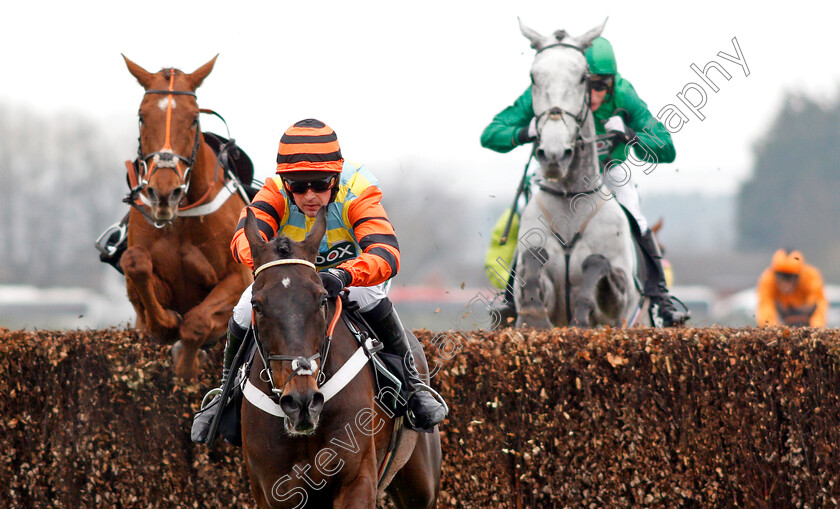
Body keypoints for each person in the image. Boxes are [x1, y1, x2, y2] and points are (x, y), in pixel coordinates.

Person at [193, 118, 447, 442]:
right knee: (244, 310)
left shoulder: (358, 191)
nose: (310, 195)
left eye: (320, 183)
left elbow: (386, 253)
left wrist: (344, 274)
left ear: (336, 177)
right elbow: (243, 239)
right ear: (286, 183)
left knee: (369, 297)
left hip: (351, 275)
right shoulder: (274, 192)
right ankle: (225, 393)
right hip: (292, 280)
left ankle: (412, 387)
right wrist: (276, 264)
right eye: (298, 186)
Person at [480, 35, 688, 327]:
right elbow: (491, 134)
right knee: (530, 218)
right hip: (558, 175)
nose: (593, 95)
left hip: (609, 170)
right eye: (588, 85)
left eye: (601, 86)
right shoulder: (552, 91)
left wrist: (631, 135)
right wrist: (523, 132)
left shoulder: (625, 95)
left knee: (635, 216)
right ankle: (510, 298)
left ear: (613, 83)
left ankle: (660, 299)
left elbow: (667, 148)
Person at [756, 249, 827, 327]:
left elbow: (819, 304)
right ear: (775, 274)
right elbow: (765, 306)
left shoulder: (811, 277)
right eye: (781, 276)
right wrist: (772, 328)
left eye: (789, 277)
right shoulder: (767, 279)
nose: (785, 283)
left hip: (804, 318)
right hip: (781, 317)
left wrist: (815, 328)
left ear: (798, 276)